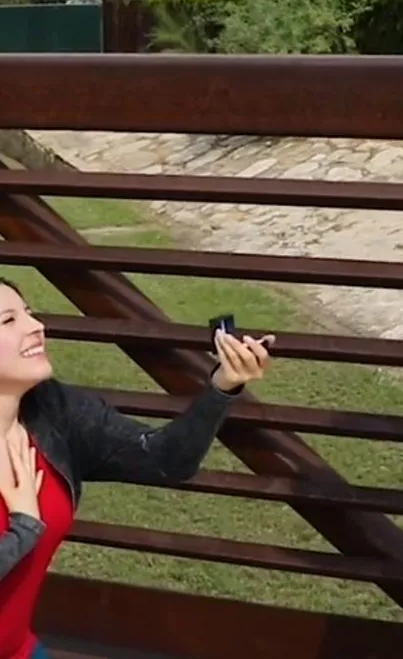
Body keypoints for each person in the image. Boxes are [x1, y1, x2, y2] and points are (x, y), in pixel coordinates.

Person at [0, 277, 273, 659]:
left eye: (28, 312)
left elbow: (164, 461)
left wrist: (223, 386)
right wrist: (24, 527)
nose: (36, 326)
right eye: (8, 321)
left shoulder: (51, 411)